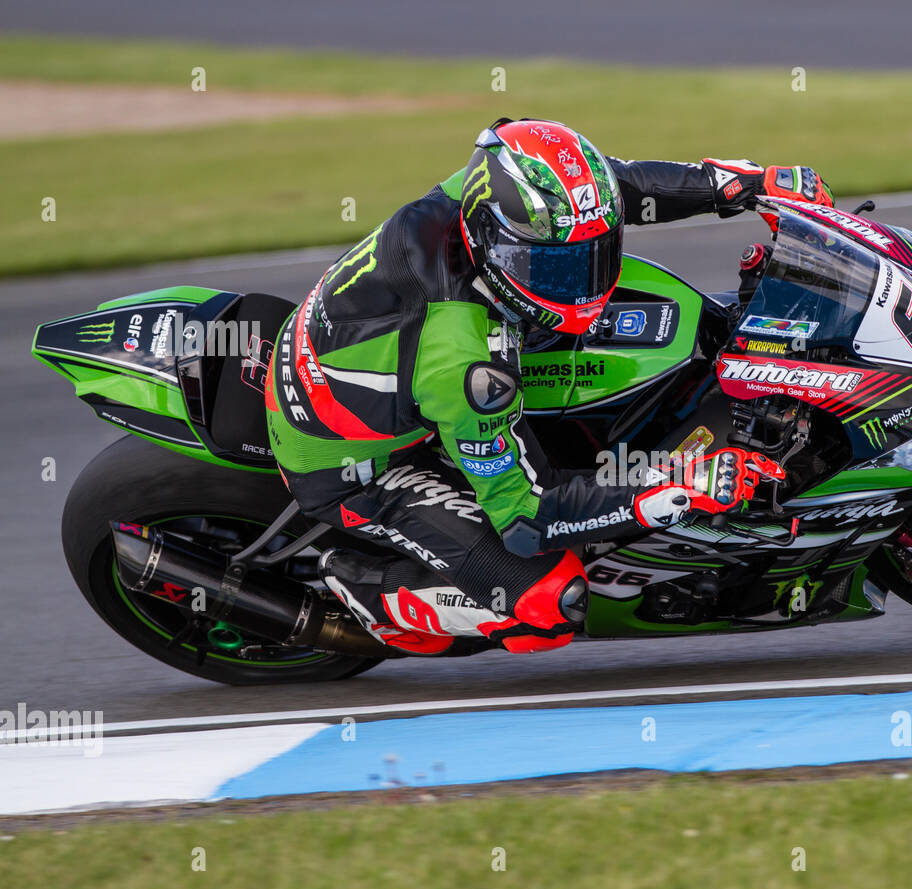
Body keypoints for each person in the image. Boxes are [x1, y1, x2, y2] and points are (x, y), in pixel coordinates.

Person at [265, 117, 832, 654]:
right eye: (557, 270)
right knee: (552, 604)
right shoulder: (466, 369)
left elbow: (616, 186)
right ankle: (376, 593)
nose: (583, 284)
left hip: (380, 354)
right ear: (495, 244)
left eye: (594, 256)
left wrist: (739, 184)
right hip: (356, 467)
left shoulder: (490, 185)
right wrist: (683, 486)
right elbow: (527, 517)